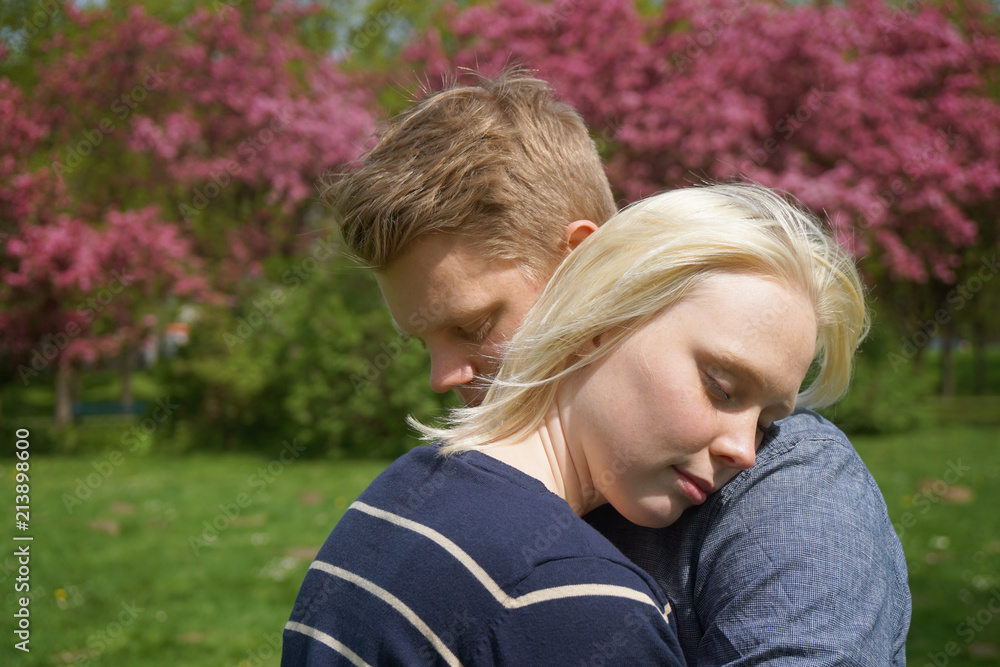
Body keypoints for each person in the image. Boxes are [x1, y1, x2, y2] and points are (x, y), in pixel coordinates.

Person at [309, 72, 911, 664]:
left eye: (473, 327)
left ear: (585, 276)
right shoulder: (456, 511)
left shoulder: (785, 498)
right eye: (423, 343)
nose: (443, 378)